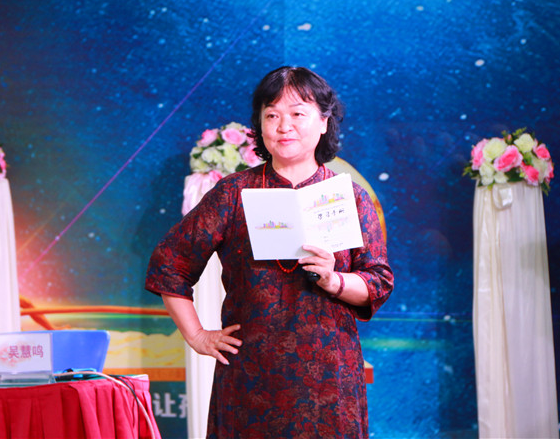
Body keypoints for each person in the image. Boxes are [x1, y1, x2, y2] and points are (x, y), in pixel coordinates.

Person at [146, 66, 394, 438]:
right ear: (260, 125)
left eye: (297, 114)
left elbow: (378, 282)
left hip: (330, 377)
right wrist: (197, 335)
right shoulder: (234, 193)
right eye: (272, 115)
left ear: (324, 122)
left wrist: (335, 280)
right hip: (251, 377)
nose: (284, 126)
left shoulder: (349, 197)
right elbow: (170, 263)